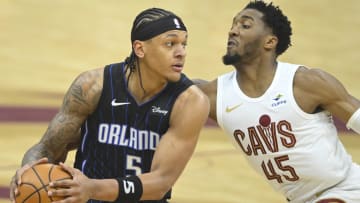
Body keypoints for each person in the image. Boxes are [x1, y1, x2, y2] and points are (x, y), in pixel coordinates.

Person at [9, 7, 210, 203]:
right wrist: (28, 173)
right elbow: (47, 148)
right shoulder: (92, 86)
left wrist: (92, 188)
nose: (181, 52)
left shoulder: (189, 101)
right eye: (170, 43)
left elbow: (161, 182)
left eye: (184, 44)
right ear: (140, 49)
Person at [195, 1, 360, 202]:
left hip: (346, 190)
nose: (233, 31)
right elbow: (161, 88)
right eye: (233, 25)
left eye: (245, 25)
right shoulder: (216, 95)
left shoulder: (306, 82)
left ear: (269, 42)